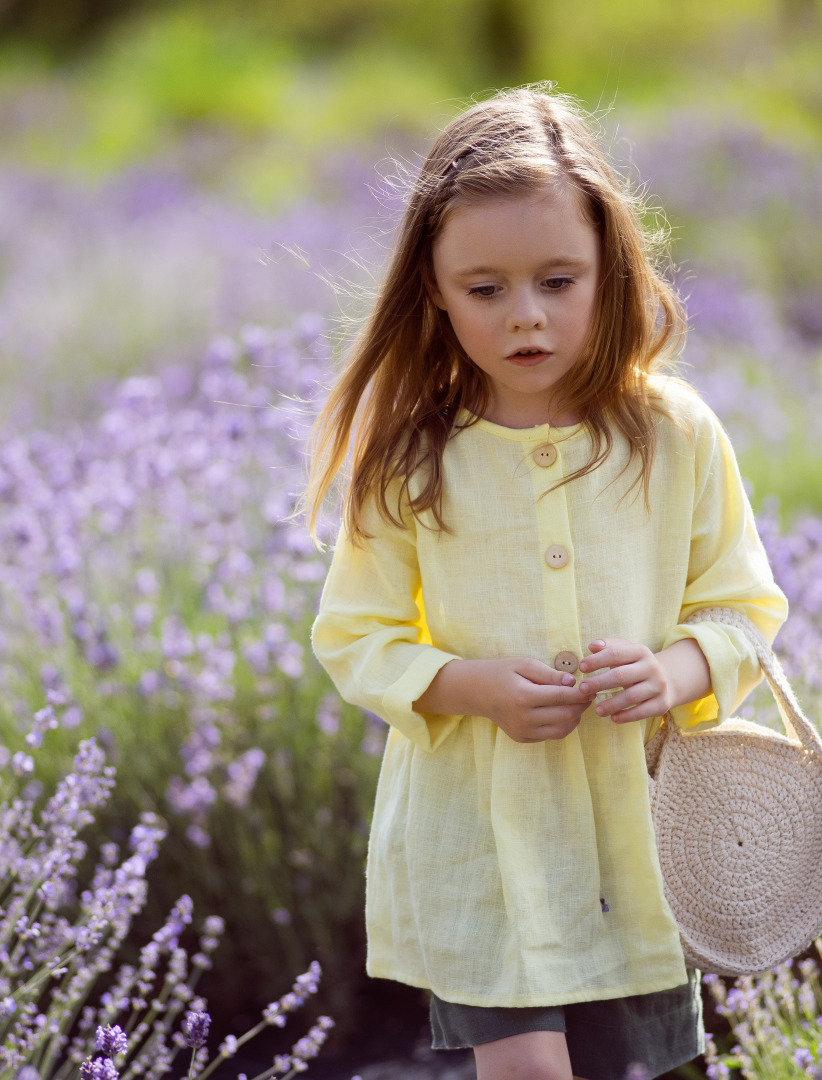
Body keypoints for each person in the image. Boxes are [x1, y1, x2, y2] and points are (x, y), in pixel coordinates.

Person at [302, 85, 788, 1080]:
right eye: (485, 290)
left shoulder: (675, 432)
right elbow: (358, 637)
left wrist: (679, 669)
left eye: (558, 281)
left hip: (636, 843)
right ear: (432, 290)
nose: (525, 316)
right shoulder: (409, 456)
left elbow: (742, 605)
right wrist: (472, 687)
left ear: (609, 269)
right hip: (481, 842)